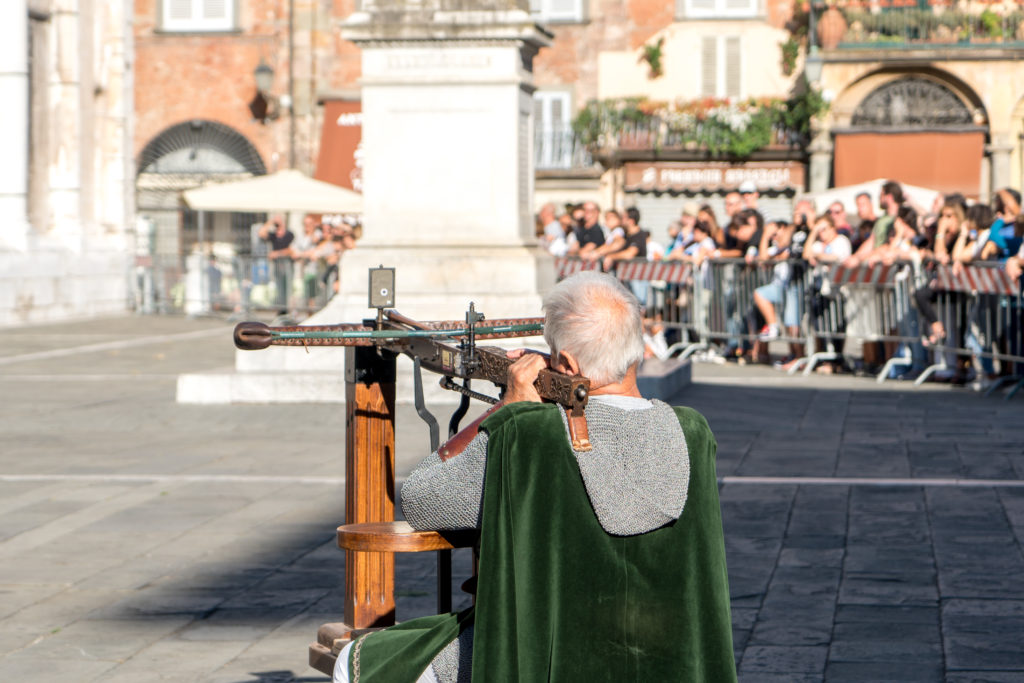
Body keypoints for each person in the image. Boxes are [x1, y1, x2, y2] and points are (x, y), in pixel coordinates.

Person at [334, 272, 736, 683]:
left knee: (353, 662)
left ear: (566, 366)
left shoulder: (527, 434)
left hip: (544, 654)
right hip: (667, 659)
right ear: (634, 352)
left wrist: (509, 406)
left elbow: (421, 499)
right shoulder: (690, 431)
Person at [258, 215, 295, 312]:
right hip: (277, 266)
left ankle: (288, 310)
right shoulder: (273, 235)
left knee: (287, 288)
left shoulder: (289, 234)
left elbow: (292, 250)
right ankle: (281, 310)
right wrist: (270, 222)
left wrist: (277, 254)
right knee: (279, 288)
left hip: (287, 265)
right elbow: (261, 233)